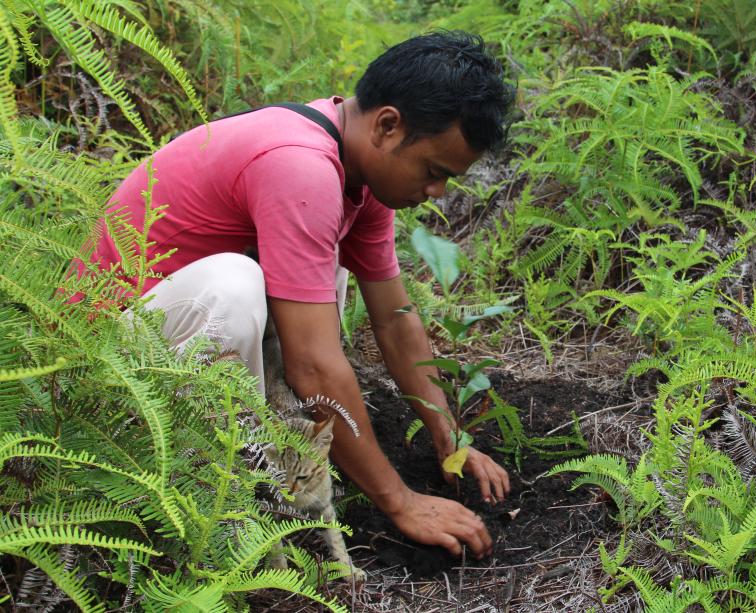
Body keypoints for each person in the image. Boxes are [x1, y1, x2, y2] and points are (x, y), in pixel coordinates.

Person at [80, 31, 515, 560]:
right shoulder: (300, 164)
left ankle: (279, 465)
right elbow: (313, 366)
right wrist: (400, 501)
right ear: (387, 125)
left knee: (317, 272)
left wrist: (448, 434)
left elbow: (395, 319)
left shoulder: (356, 167)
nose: (437, 193)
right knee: (235, 287)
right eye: (433, 172)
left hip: (168, 345)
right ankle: (222, 503)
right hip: (99, 371)